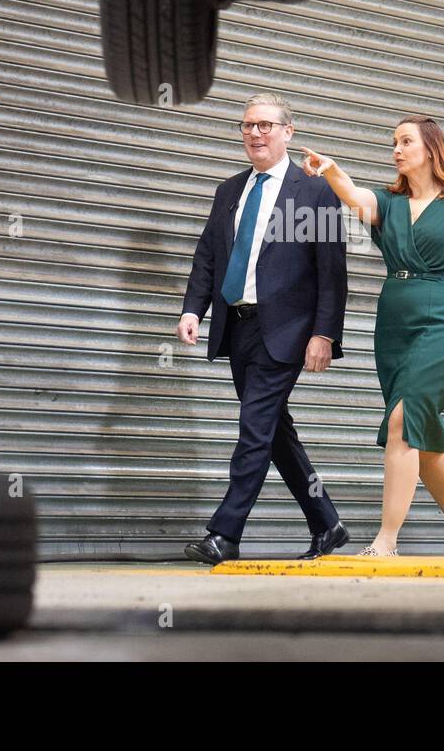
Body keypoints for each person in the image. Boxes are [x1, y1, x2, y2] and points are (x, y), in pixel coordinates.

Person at [300, 115, 444, 557]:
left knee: (402, 422)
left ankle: (386, 540)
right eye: (393, 142)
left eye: (406, 141)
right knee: (421, 434)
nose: (396, 149)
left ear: (430, 149)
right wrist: (330, 168)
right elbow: (353, 195)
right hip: (394, 323)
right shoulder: (389, 203)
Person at [178, 92, 350, 564]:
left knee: (254, 428)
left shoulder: (314, 190)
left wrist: (325, 334)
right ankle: (327, 523)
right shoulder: (230, 190)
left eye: (265, 125)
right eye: (248, 125)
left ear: (288, 132)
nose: (255, 133)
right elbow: (209, 255)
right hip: (238, 326)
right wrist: (194, 309)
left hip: (287, 330)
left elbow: (332, 271)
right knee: (274, 432)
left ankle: (225, 533)